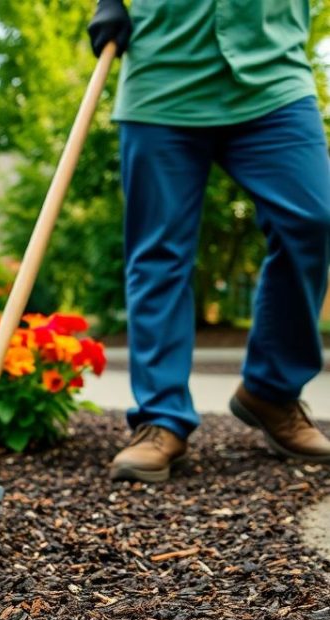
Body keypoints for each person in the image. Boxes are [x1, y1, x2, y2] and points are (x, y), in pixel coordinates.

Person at [88, 0, 330, 482]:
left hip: (273, 71)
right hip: (164, 71)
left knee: (314, 219)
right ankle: (161, 417)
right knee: (159, 253)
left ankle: (271, 389)